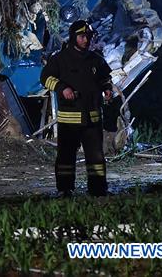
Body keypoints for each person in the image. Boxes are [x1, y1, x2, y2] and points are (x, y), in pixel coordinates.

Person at [40, 21, 113, 197]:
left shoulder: (96, 59)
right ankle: (65, 189)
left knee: (96, 157)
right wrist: (61, 88)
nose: (86, 40)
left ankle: (98, 189)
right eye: (82, 36)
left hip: (93, 118)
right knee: (66, 157)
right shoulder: (60, 59)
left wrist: (107, 89)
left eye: (88, 36)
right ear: (73, 37)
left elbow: (105, 78)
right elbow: (45, 78)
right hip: (69, 119)